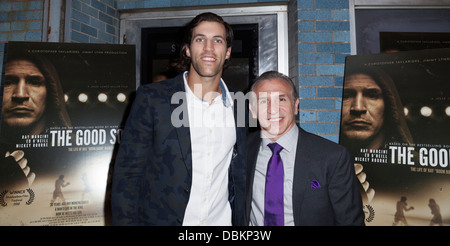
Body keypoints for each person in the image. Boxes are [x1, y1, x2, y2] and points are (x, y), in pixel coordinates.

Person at [110, 12, 247, 226]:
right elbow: (127, 176)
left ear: (228, 52)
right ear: (188, 49)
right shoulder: (153, 98)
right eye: (200, 39)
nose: (209, 48)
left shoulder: (239, 105)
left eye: (217, 41)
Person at [243, 71, 365, 226]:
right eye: (263, 101)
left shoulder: (333, 157)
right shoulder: (241, 151)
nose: (273, 109)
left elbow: (350, 222)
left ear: (295, 106)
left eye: (281, 99)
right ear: (252, 110)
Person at [340, 66, 414, 204]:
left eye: (372, 95)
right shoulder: (324, 165)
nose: (358, 108)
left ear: (389, 105)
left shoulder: (412, 172)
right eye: (346, 95)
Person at [0, 54, 72, 190]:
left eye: (34, 82)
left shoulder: (71, 159)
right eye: (8, 82)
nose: (20, 95)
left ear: (51, 92)